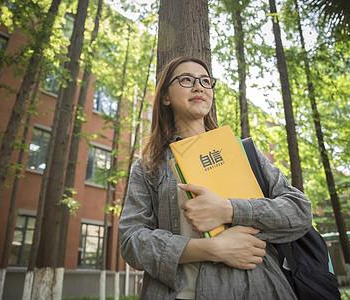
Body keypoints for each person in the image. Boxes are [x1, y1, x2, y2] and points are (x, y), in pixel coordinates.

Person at [118, 56, 312, 299]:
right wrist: (210, 249)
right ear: (166, 97)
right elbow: (132, 241)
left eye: (205, 81)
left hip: (259, 289)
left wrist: (228, 210)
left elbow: (300, 211)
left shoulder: (242, 152)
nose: (198, 86)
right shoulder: (149, 165)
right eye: (186, 80)